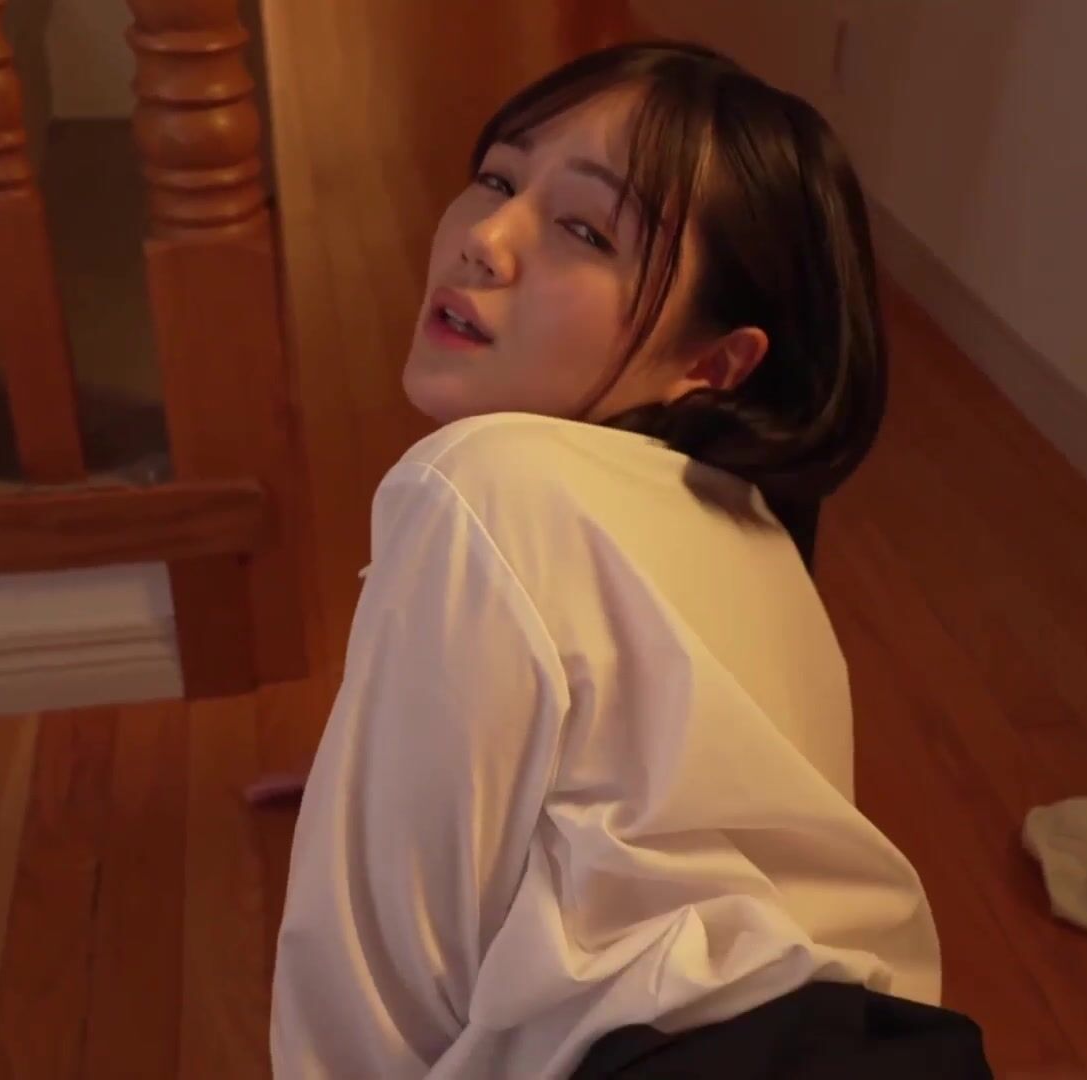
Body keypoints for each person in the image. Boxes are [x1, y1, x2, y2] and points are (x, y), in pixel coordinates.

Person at [270, 39, 986, 1079]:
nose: (485, 241)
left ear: (715, 361)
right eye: (498, 179)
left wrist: (385, 799)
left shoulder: (483, 481)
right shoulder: (756, 536)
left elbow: (366, 1010)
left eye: (584, 230)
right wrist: (382, 744)